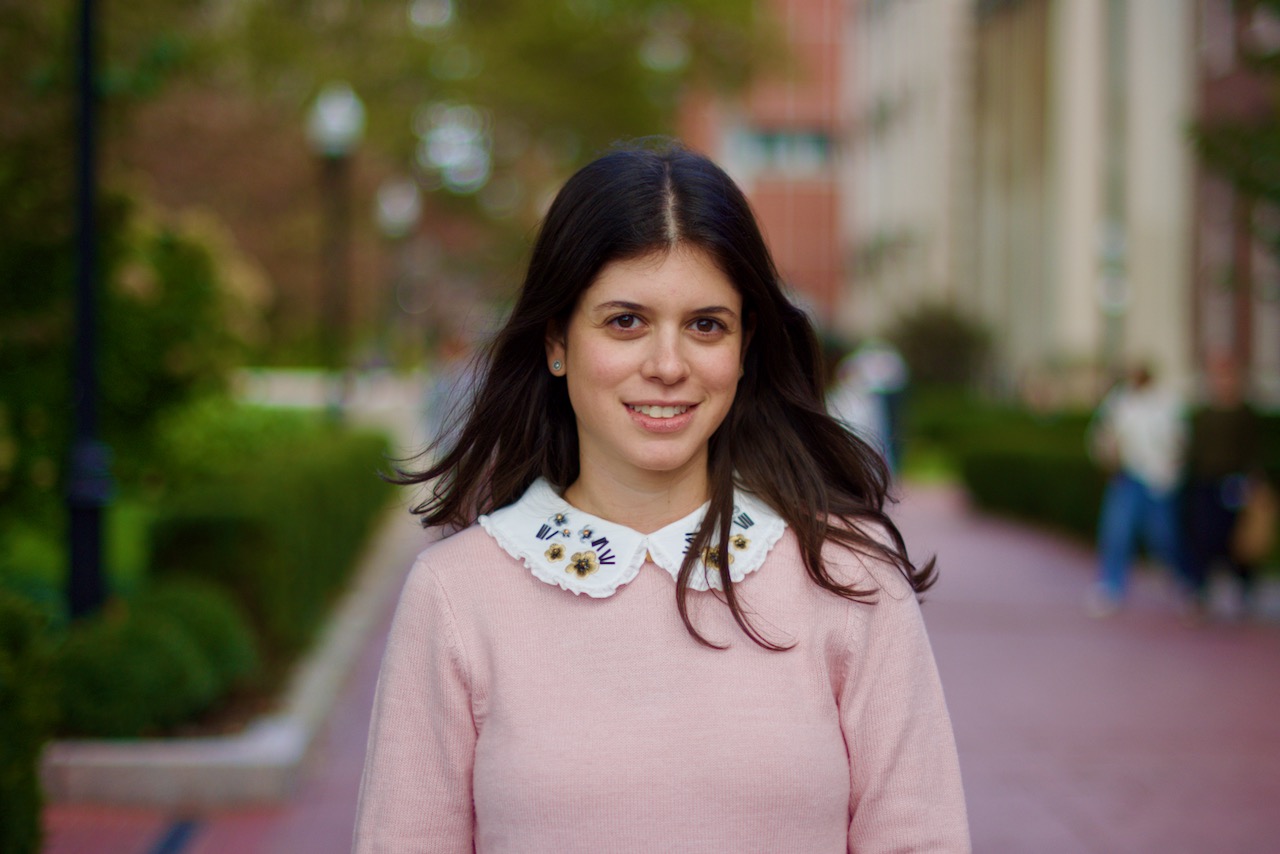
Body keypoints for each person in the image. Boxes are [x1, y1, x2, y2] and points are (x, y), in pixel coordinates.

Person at [352, 141, 970, 853]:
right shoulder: (456, 596)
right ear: (557, 341)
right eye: (626, 322)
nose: (668, 365)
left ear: (744, 351)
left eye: (706, 325)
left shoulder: (853, 582)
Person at [1085, 362, 1189, 617]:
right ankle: (1111, 587)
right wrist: (1109, 457)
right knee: (1117, 533)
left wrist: (1171, 469)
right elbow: (1102, 435)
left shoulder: (1167, 402)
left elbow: (1180, 440)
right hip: (1128, 478)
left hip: (1158, 480)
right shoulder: (1120, 401)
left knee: (1164, 536)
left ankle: (1182, 582)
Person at [1183, 354, 1265, 620]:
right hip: (1208, 482)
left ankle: (1245, 590)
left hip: (1235, 483)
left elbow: (1252, 450)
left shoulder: (1244, 413)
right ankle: (1200, 590)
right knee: (1206, 535)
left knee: (1238, 538)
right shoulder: (1205, 414)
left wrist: (1253, 481)